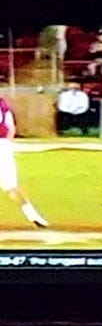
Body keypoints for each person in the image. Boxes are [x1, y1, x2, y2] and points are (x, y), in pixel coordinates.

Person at [0, 97, 53, 228]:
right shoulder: (2, 104)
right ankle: (33, 215)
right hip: (3, 146)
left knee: (11, 186)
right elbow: (11, 129)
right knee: (11, 186)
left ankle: (33, 215)